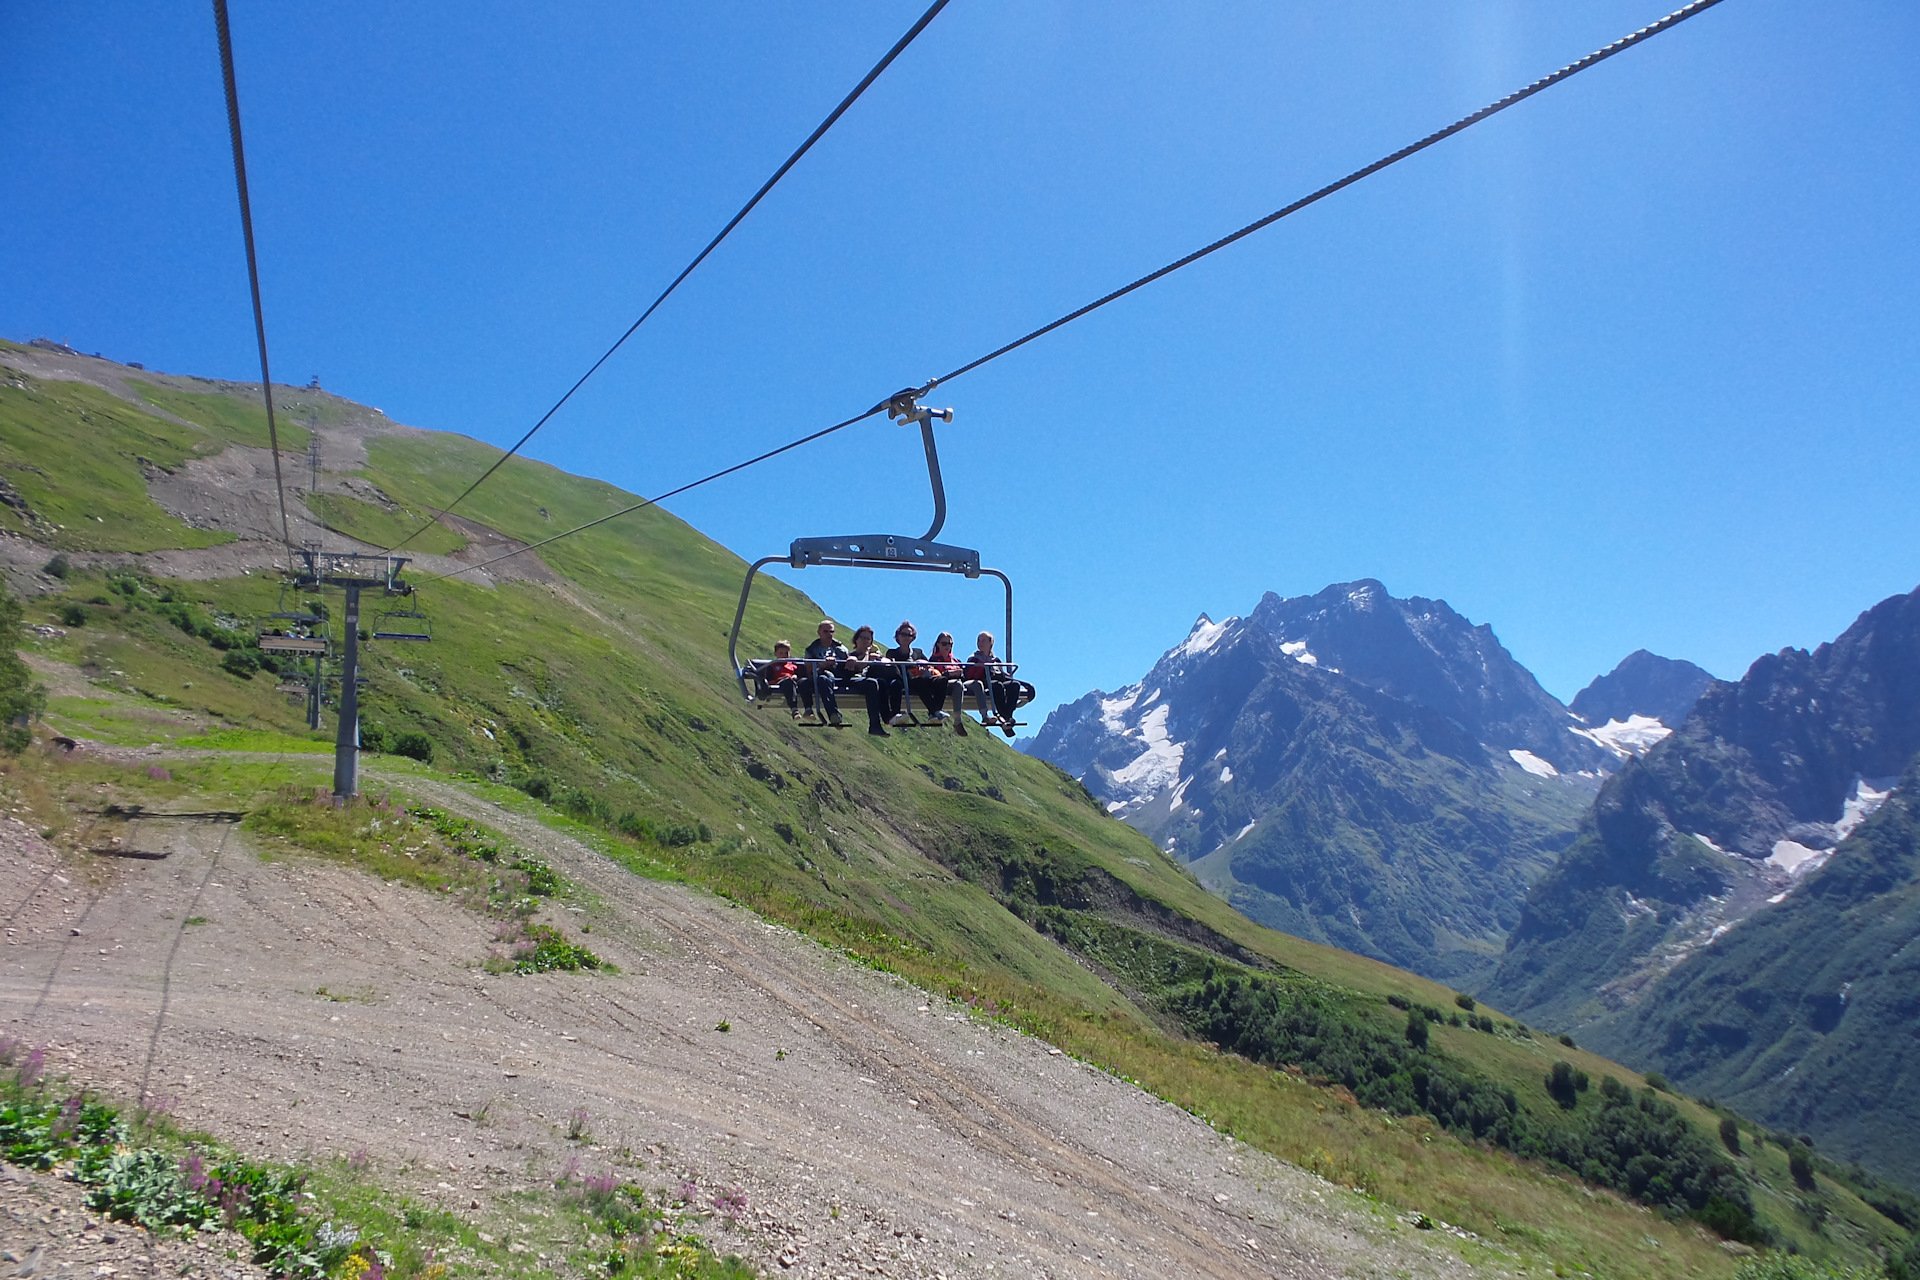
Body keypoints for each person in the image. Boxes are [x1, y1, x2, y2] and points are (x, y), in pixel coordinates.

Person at [805, 619, 891, 735]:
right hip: (826, 676)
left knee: (872, 683)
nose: (829, 634)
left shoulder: (840, 648)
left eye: (831, 632)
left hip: (846, 677)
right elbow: (809, 671)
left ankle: (875, 725)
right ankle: (834, 714)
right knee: (824, 678)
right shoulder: (812, 649)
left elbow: (851, 667)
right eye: (826, 631)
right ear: (819, 632)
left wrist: (850, 660)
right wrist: (823, 666)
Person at [887, 621, 966, 735]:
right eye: (903, 634)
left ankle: (935, 711)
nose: (906, 637)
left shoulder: (918, 652)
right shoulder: (892, 652)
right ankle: (934, 711)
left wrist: (925, 668)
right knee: (920, 682)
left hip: (922, 678)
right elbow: (893, 668)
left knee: (942, 680)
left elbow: (929, 665)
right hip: (905, 680)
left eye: (909, 635)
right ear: (898, 636)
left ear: (913, 638)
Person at [965, 631, 1033, 738]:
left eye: (983, 640)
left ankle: (1007, 716)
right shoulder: (973, 659)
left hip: (996, 682)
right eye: (979, 640)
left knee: (1013, 684)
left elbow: (1004, 676)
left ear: (990, 643)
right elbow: (968, 675)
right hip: (984, 683)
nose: (980, 643)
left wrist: (1025, 684)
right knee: (997, 686)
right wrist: (980, 667)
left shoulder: (996, 661)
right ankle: (1005, 718)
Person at [846, 625, 908, 727]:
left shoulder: (875, 655)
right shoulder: (851, 656)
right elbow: (856, 669)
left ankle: (893, 715)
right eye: (862, 638)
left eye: (868, 638)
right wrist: (868, 658)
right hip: (859, 682)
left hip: (877, 680)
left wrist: (883, 661)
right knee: (879, 684)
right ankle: (886, 718)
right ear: (856, 640)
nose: (865, 641)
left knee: (892, 684)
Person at [923, 632, 973, 737]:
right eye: (944, 643)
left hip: (956, 686)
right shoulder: (934, 660)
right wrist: (949, 674)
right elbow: (934, 676)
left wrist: (960, 673)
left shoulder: (956, 661)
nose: (947, 646)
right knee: (957, 684)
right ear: (938, 645)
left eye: (950, 644)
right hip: (942, 686)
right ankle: (957, 720)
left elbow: (963, 676)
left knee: (962, 684)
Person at [764, 640, 805, 717]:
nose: (784, 656)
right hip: (780, 683)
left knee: (802, 682)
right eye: (781, 653)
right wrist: (779, 680)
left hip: (793, 682)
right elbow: (768, 681)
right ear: (775, 654)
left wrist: (795, 677)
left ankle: (808, 709)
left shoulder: (793, 665)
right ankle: (794, 709)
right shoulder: (772, 665)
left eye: (786, 653)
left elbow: (800, 675)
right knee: (787, 682)